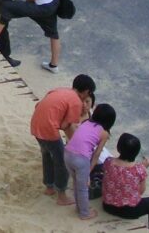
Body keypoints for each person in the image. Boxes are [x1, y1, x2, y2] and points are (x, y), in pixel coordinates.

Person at [24, 74, 97, 206]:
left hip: (36, 125)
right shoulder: (76, 102)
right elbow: (67, 127)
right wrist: (79, 146)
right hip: (49, 130)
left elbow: (39, 106)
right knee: (61, 161)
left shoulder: (59, 90)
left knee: (47, 155)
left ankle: (49, 186)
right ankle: (62, 195)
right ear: (86, 91)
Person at [102, 133, 149, 232]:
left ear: (118, 148)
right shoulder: (139, 170)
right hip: (130, 211)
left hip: (108, 205)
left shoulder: (108, 162)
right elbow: (141, 191)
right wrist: (143, 167)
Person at [64, 103, 116, 220]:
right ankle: (84, 213)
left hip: (67, 154)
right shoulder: (104, 133)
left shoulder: (86, 122)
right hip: (81, 159)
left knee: (76, 183)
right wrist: (88, 171)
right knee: (83, 188)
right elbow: (97, 154)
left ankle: (79, 208)